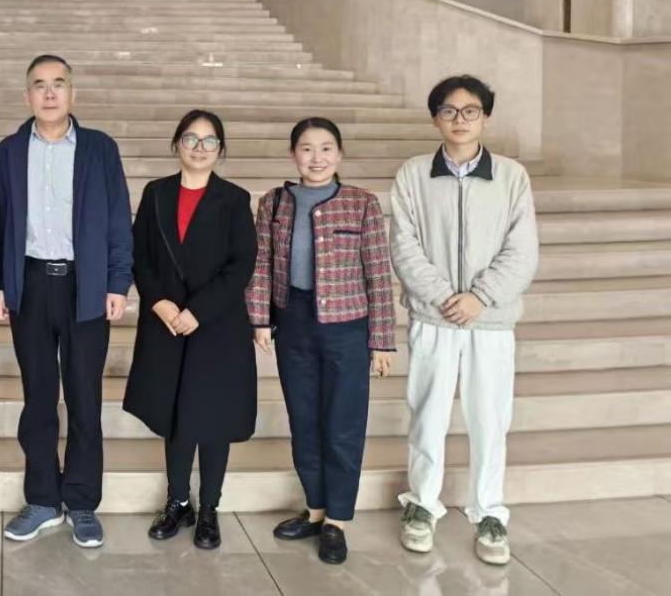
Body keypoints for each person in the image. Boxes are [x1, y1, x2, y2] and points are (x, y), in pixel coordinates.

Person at [392, 75, 538, 566]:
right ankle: (421, 505)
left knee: (490, 420)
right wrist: (442, 297)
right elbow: (404, 246)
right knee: (428, 415)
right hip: (433, 319)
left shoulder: (512, 176)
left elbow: (523, 251)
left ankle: (490, 512)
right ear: (436, 118)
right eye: (449, 111)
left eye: (470, 111)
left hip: (490, 322)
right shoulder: (413, 174)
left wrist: (480, 297)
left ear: (485, 118)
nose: (460, 119)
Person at [0, 54, 133, 549]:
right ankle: (42, 500)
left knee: (83, 396)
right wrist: (0, 284)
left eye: (58, 84)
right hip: (30, 285)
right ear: (27, 95)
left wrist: (117, 282)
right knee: (38, 397)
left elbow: (118, 217)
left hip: (85, 286)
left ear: (73, 92)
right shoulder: (10, 150)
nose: (50, 93)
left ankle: (81, 502)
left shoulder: (99, 148)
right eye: (40, 85)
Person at [249, 117, 395, 565]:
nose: (317, 158)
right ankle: (314, 510)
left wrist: (382, 340)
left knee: (343, 425)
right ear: (293, 154)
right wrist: (259, 319)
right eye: (307, 148)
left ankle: (338, 520)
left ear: (339, 154)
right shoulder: (273, 202)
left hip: (347, 328)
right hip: (293, 322)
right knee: (304, 420)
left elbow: (378, 274)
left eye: (326, 148)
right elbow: (260, 265)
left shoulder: (362, 203)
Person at [124, 110, 257, 551]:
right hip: (167, 324)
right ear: (176, 144)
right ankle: (178, 501)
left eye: (209, 140)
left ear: (221, 149)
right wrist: (160, 302)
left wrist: (197, 311)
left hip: (216, 326)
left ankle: (209, 508)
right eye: (191, 139)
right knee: (176, 416)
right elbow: (139, 254)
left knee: (213, 420)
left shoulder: (234, 199)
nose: (199, 148)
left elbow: (241, 264)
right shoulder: (156, 193)